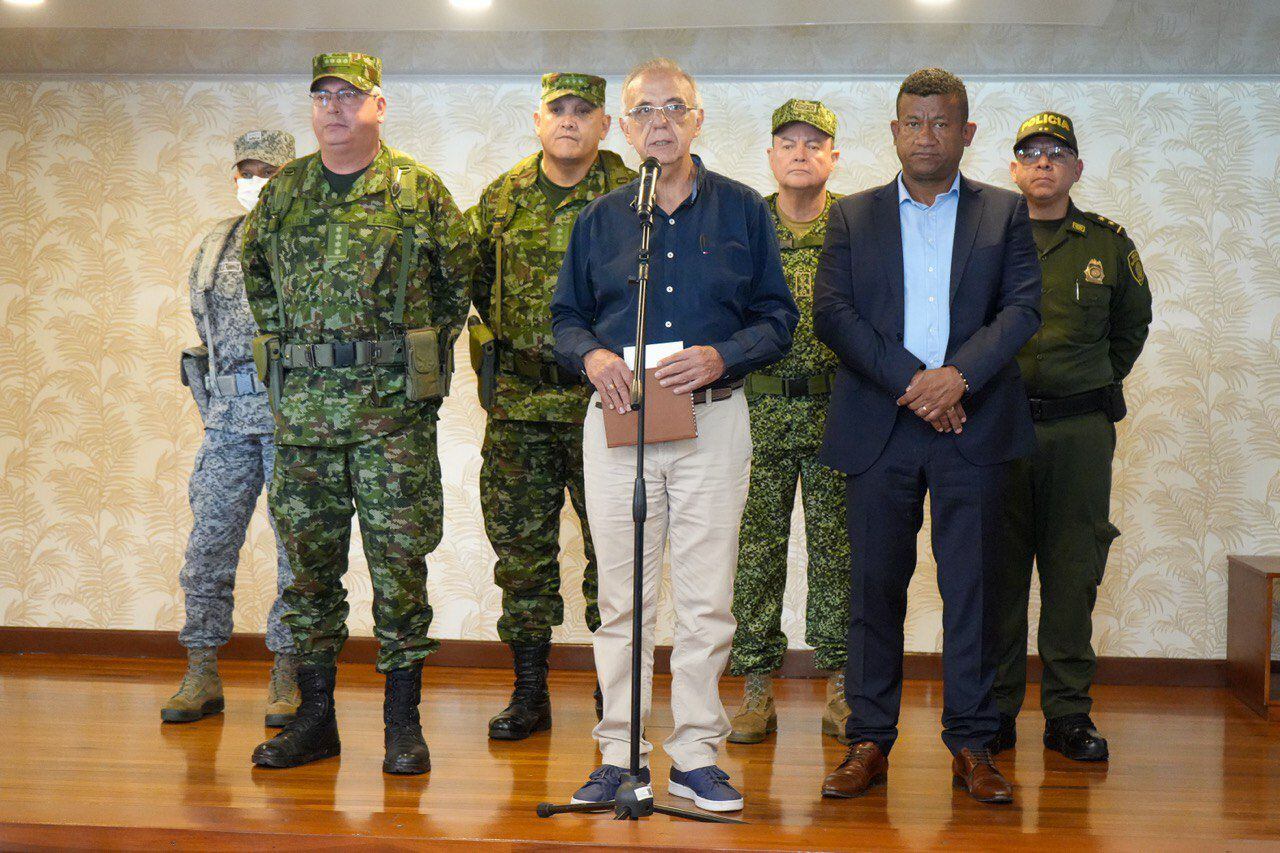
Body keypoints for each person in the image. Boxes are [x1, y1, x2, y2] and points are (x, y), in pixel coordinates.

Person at [551, 58, 797, 813]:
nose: (660, 122)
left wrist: (726, 353)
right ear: (623, 129)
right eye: (644, 111)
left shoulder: (745, 211)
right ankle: (621, 756)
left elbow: (779, 319)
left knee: (705, 599)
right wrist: (592, 354)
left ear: (698, 119)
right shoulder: (599, 219)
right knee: (621, 600)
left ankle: (695, 755)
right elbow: (566, 317)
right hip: (620, 419)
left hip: (712, 420)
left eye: (674, 108)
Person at [815, 68, 1041, 805]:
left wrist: (957, 378)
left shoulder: (1004, 213)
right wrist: (919, 382)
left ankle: (973, 744)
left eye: (941, 122)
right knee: (873, 587)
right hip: (881, 426)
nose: (926, 135)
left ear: (967, 132)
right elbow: (835, 314)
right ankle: (869, 739)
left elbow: (1020, 311)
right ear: (893, 131)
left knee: (972, 589)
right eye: (913, 122)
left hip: (971, 426)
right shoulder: (851, 215)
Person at [242, 52, 472, 775]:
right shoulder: (286, 194)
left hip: (389, 419)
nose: (334, 108)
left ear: (379, 106)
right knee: (308, 572)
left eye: (351, 95)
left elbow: (455, 281)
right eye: (323, 96)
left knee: (399, 568)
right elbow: (259, 278)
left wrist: (413, 363)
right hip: (305, 419)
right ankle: (316, 719)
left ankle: (402, 722)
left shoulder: (416, 189)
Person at [465, 73, 634, 740]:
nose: (568, 121)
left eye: (582, 111)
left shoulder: (631, 194)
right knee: (523, 553)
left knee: (615, 551)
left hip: (611, 401)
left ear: (604, 125)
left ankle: (612, 694)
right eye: (557, 110)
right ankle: (530, 692)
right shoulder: (503, 197)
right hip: (520, 404)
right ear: (538, 121)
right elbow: (472, 281)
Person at [990, 111, 1152, 762]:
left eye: (1057, 153)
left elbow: (1131, 329)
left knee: (1072, 572)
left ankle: (1067, 716)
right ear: (1014, 169)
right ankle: (994, 713)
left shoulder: (1107, 243)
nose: (1043, 162)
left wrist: (1089, 381)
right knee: (996, 574)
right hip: (998, 426)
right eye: (1030, 153)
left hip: (1080, 431)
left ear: (1077, 168)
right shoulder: (988, 240)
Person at [163, 129, 300, 728]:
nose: (254, 181)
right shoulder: (216, 242)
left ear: (290, 178)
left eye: (266, 171)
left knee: (296, 551)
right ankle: (201, 670)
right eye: (246, 170)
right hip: (225, 423)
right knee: (208, 544)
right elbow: (206, 331)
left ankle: (289, 674)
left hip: (290, 421)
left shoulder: (306, 243)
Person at [727, 98, 850, 745]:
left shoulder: (856, 227)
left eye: (814, 142)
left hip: (838, 415)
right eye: (788, 142)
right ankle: (754, 694)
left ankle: (842, 690)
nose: (801, 152)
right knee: (755, 558)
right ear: (771, 156)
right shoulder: (747, 229)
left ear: (834, 156)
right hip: (756, 415)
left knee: (839, 557)